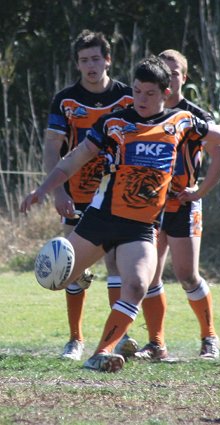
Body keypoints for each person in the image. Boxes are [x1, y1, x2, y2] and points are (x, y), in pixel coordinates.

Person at [20, 55, 220, 373]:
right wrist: (44, 189)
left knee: (138, 285)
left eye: (149, 93)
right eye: (137, 91)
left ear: (165, 93)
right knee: (56, 281)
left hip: (140, 228)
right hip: (101, 220)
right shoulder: (114, 123)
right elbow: (74, 158)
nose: (140, 98)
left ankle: (101, 353)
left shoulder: (181, 122)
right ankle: (79, 279)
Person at [43, 29, 136, 361]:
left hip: (116, 192)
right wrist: (57, 191)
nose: (91, 66)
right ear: (78, 64)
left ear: (108, 59)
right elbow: (53, 146)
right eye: (84, 61)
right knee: (71, 266)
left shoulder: (128, 96)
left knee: (115, 264)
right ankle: (75, 340)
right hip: (76, 192)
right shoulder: (65, 100)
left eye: (96, 58)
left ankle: (118, 339)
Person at [134, 49, 220, 361]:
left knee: (187, 275)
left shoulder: (196, 115)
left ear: (183, 78)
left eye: (176, 72)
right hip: (150, 205)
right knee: (150, 275)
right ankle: (156, 344)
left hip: (182, 203)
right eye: (165, 71)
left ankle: (209, 337)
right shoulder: (144, 109)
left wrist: (200, 190)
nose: (170, 77)